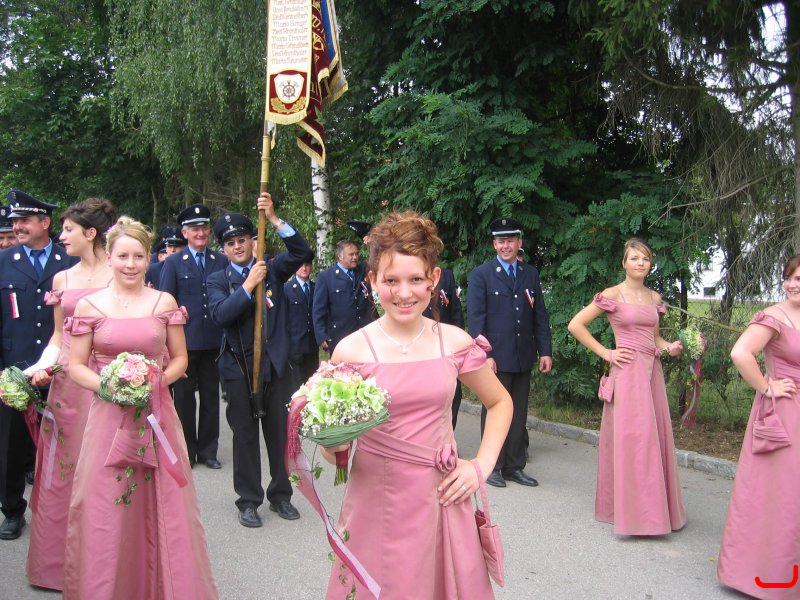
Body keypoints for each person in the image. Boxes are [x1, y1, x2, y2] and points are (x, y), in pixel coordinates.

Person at [313, 210, 512, 599]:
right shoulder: (351, 351)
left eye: (416, 279)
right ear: (372, 280)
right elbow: (333, 453)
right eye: (391, 281)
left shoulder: (453, 342)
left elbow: (500, 401)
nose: (404, 293)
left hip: (443, 496)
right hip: (375, 500)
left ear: (433, 279)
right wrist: (333, 443)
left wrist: (481, 465)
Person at [63, 216, 217, 599]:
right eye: (123, 256)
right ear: (109, 257)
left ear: (149, 258)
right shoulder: (89, 306)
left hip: (156, 414)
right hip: (107, 417)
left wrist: (153, 383)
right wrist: (111, 387)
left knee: (163, 503)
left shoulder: (163, 302)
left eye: (138, 256)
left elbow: (179, 359)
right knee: (106, 503)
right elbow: (75, 365)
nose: (130, 264)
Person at [23, 198, 116, 589]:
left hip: (107, 380)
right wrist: (40, 367)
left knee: (103, 467)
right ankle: (57, 568)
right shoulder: (62, 279)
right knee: (64, 468)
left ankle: (105, 567)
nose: (61, 237)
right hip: (67, 387)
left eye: (68, 230)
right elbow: (58, 337)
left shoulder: (121, 271)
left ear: (90, 233)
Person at [567, 238, 687, 536]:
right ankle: (631, 514)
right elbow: (575, 325)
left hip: (651, 374)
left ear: (650, 264)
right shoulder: (612, 294)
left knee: (652, 439)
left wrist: (670, 347)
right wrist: (607, 353)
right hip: (627, 373)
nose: (640, 263)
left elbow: (655, 339)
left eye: (645, 259)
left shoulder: (654, 297)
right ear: (624, 263)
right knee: (633, 440)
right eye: (634, 258)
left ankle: (654, 513)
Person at [208, 194, 313, 527]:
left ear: (252, 241)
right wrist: (248, 285)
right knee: (245, 435)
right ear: (224, 250)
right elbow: (221, 315)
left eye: (242, 239)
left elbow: (302, 253)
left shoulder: (272, 269)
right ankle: (249, 500)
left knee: (279, 434)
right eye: (230, 243)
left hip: (274, 367)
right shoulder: (218, 279)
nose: (237, 246)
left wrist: (275, 219)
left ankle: (281, 495)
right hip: (238, 369)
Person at [717, 255, 800, 598]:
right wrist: (767, 387)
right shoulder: (775, 316)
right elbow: (740, 353)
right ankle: (766, 574)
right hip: (786, 411)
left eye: (799, 279)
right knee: (782, 494)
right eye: (789, 278)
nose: (792, 284)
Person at [0, 190, 77, 541]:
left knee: (63, 443)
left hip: (61, 369)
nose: (17, 226)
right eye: (15, 221)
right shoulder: (4, 261)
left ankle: (63, 512)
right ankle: (12, 510)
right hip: (15, 369)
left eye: (24, 221)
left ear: (45, 223)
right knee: (11, 445)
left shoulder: (69, 261)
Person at [467, 217, 552, 488]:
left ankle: (514, 466)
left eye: (510, 241)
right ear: (494, 244)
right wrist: (485, 355)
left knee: (518, 412)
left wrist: (545, 350)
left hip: (523, 354)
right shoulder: (482, 274)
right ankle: (492, 466)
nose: (506, 246)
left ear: (519, 242)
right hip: (496, 357)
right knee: (495, 410)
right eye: (501, 241)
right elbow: (476, 320)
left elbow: (539, 315)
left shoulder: (530, 273)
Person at [159, 205, 225, 468]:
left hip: (214, 340)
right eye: (195, 229)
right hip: (184, 343)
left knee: (211, 397)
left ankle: (209, 451)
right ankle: (186, 449)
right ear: (185, 233)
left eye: (204, 228)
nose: (201, 233)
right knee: (184, 399)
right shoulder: (173, 263)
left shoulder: (220, 260)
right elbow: (165, 303)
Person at [313, 239, 375, 354]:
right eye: (351, 254)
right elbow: (318, 309)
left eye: (356, 253)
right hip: (341, 335)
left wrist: (371, 242)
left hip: (366, 332)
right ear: (340, 257)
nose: (355, 257)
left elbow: (377, 258)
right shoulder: (326, 277)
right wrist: (321, 335)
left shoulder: (362, 269)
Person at [423, 266, 465, 428]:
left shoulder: (447, 275)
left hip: (446, 347)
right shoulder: (411, 273)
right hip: (421, 348)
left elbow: (456, 312)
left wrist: (458, 344)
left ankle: (448, 435)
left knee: (453, 393)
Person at [285, 260, 319, 386]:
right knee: (297, 385)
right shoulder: (287, 288)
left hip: (312, 344)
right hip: (295, 346)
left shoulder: (316, 287)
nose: (304, 268)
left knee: (312, 384)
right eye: (300, 265)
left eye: (307, 265)